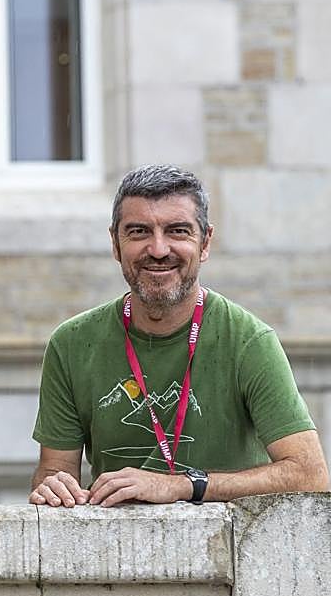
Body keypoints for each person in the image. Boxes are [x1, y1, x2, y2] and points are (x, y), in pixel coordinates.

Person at [30, 165, 328, 507]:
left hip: (227, 550)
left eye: (177, 231)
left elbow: (310, 474)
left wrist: (184, 485)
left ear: (205, 243)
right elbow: (54, 471)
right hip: (114, 552)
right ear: (115, 243)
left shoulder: (249, 340)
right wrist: (52, 489)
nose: (158, 249)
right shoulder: (71, 344)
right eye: (139, 231)